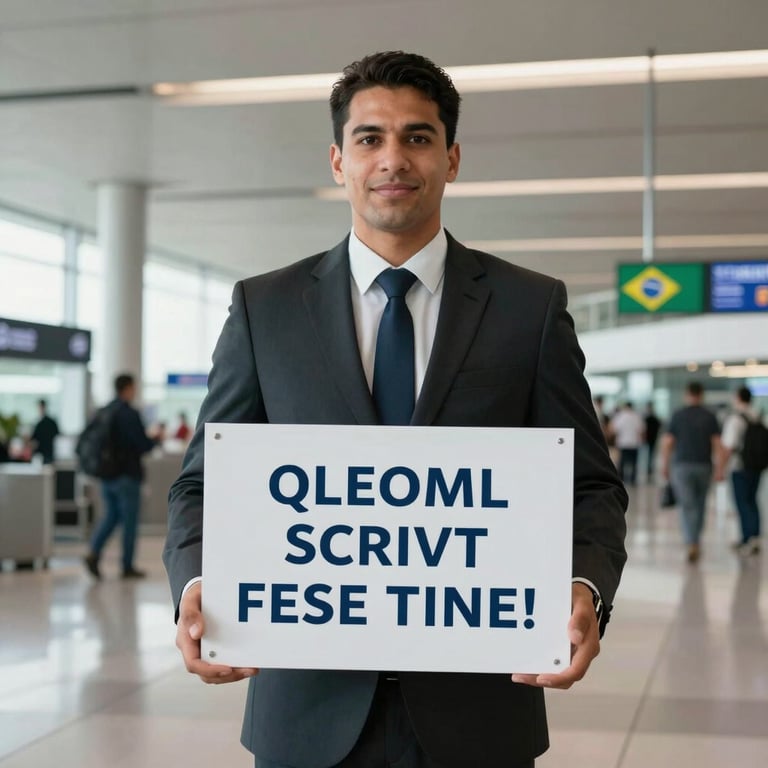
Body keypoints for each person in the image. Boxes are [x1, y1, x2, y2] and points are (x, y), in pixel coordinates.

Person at [163, 51, 628, 768]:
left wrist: (584, 589)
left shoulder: (529, 309)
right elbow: (202, 482)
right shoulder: (266, 308)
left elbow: (591, 485)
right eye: (369, 139)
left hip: (479, 709)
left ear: (452, 158)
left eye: (417, 137)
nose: (393, 159)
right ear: (338, 161)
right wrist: (198, 586)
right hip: (306, 711)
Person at [83, 373, 158, 580]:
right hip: (127, 475)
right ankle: (127, 566)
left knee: (110, 516)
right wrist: (154, 440)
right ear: (128, 388)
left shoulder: (103, 411)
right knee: (129, 522)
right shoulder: (129, 414)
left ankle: (93, 551)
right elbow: (142, 444)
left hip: (106, 475)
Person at [660, 382, 722, 563]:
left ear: (687, 394)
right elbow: (717, 444)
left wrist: (664, 465)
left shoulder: (678, 415)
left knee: (687, 505)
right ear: (701, 395)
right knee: (700, 504)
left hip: (682, 466)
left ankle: (691, 542)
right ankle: (695, 540)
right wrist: (719, 468)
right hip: (704, 465)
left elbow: (668, 443)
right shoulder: (710, 416)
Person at [719, 386, 763, 556]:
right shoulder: (757, 416)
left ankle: (747, 538)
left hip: (740, 466)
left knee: (742, 502)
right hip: (756, 466)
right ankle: (754, 537)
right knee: (752, 500)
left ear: (738, 397)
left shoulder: (735, 419)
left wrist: (721, 468)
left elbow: (729, 446)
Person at [608, 402, 645, 485]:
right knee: (634, 462)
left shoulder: (620, 416)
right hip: (634, 443)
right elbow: (641, 430)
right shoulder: (637, 416)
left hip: (623, 443)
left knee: (622, 462)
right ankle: (632, 479)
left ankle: (621, 478)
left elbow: (613, 429)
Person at [31, 399, 60, 464]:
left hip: (43, 454)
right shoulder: (52, 422)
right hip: (48, 453)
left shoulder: (40, 424)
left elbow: (34, 439)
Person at [643, 403, 662, 481]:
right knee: (651, 455)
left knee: (648, 455)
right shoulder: (655, 419)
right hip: (653, 439)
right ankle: (649, 469)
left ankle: (648, 469)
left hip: (648, 439)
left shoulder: (646, 419)